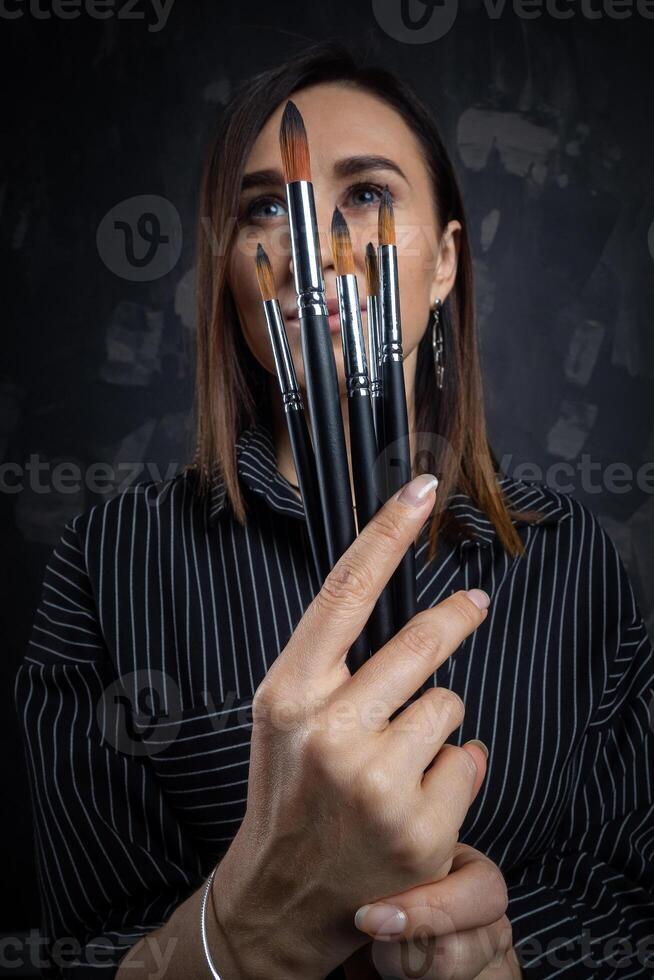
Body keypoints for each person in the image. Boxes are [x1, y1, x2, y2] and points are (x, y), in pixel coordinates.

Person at [14, 41, 654, 980]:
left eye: (366, 196)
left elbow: (627, 905)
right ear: (227, 279)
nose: (312, 252)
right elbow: (89, 944)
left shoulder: (574, 561)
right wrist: (246, 928)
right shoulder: (109, 559)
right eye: (265, 208)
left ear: (441, 265)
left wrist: (502, 955)